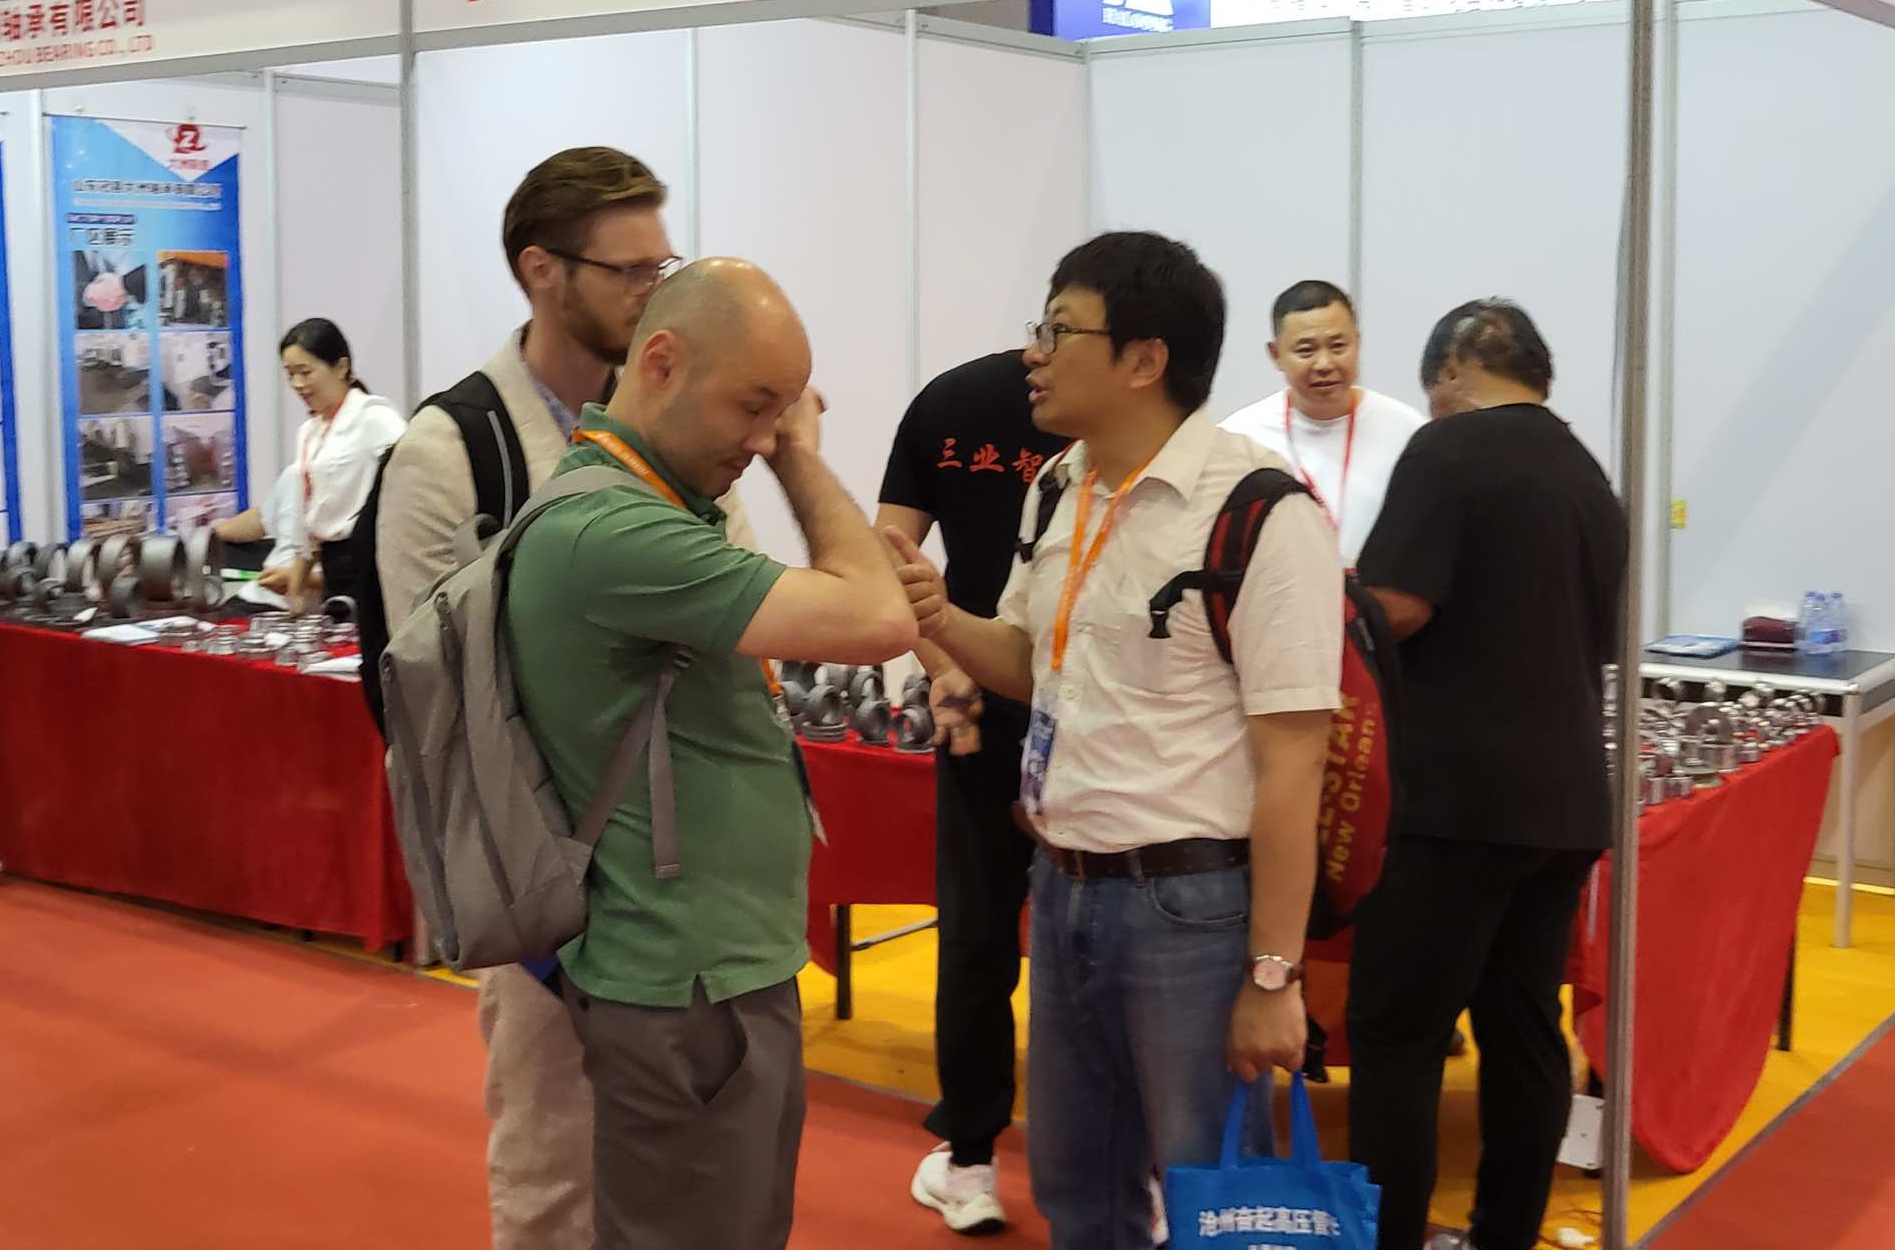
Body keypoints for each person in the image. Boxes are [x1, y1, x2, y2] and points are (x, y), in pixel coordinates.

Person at [886, 231, 1345, 1247]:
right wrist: (936, 615)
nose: (1033, 354)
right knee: (1077, 1186)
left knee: (1212, 1197)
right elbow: (1027, 662)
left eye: (1059, 330)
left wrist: (1273, 975)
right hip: (1062, 888)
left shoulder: (1258, 514)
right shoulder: (1059, 486)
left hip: (1191, 907)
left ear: (1144, 358)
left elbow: (1293, 763)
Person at [376, 146, 746, 1250]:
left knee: (691, 1181)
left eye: (662, 267)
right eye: (630, 272)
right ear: (543, 272)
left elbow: (739, 622)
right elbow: (423, 703)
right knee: (555, 1181)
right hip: (553, 890)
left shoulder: (680, 426)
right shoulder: (454, 449)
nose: (653, 293)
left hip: (693, 884)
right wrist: (535, 911)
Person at [506, 257, 917, 1250]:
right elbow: (878, 617)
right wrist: (803, 460)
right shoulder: (609, 529)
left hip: (712, 977)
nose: (766, 436)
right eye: (754, 405)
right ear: (660, 362)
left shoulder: (654, 509)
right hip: (682, 987)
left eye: (783, 413)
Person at [1347, 301, 1625, 1250]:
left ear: (1452, 374)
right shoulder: (1587, 474)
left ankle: (1390, 1237)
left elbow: (1399, 605)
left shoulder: (1448, 448)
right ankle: (1503, 1234)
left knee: (1398, 1034)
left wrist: (1324, 597)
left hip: (1454, 800)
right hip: (1564, 797)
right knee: (1523, 1027)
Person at [877, 352, 1062, 1235]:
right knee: (1081, 942)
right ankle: (1097, 1164)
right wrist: (950, 671)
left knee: (980, 936)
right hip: (1072, 709)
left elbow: (888, 559)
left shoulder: (949, 398)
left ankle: (972, 1162)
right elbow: (891, 559)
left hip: (984, 698)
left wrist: (945, 669)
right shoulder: (1110, 412)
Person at [1220, 279, 1425, 567]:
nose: (1324, 364)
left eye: (1338, 346)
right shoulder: (1238, 437)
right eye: (1306, 351)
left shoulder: (1410, 431)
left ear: (1358, 342)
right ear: (1275, 355)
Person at [261, 319, 404, 609]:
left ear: (341, 367)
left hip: (372, 559)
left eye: (305, 372)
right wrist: (296, 592)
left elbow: (414, 473)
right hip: (331, 563)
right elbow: (308, 522)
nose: (297, 384)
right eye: (290, 374)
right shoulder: (309, 431)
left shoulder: (373, 417)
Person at [213, 464, 302, 614]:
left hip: (304, 610)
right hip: (254, 599)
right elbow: (261, 520)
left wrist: (301, 577)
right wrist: (203, 541)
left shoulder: (343, 482)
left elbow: (343, 577)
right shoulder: (296, 474)